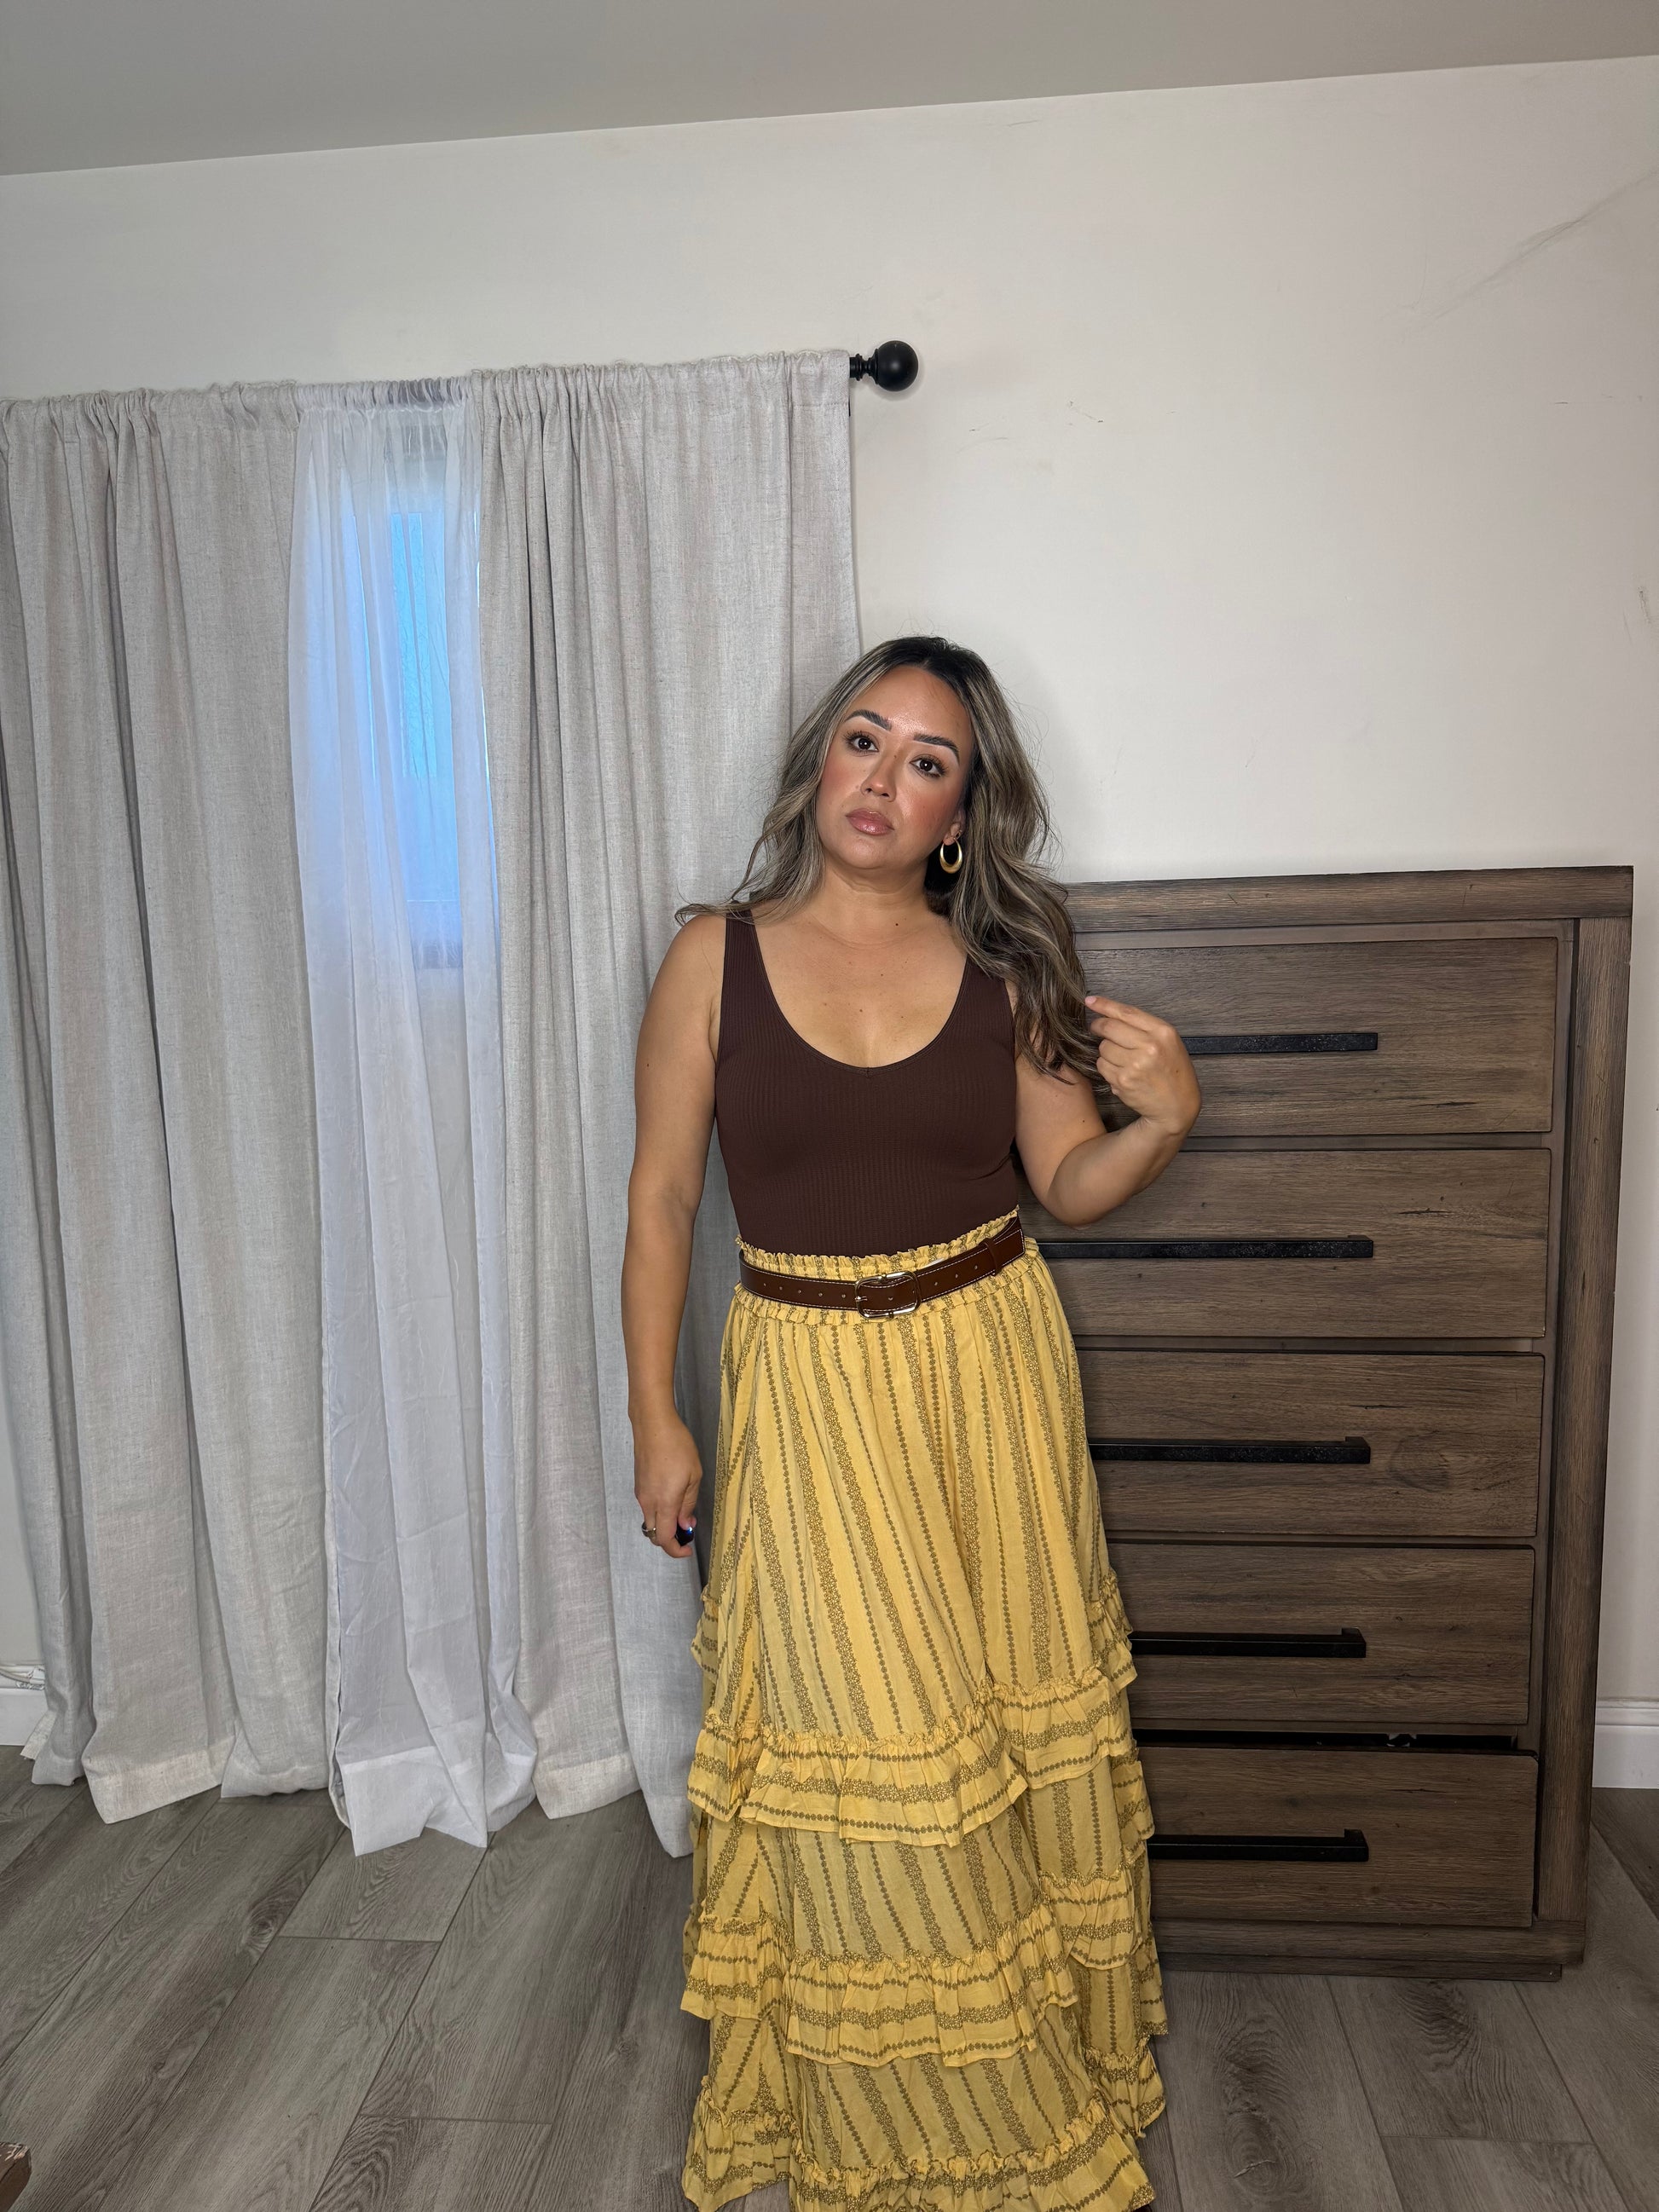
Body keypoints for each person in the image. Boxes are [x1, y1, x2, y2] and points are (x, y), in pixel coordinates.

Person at [621, 635, 1201, 2212]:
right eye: (863, 740)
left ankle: (1014, 2079)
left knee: (992, 1722)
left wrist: (1163, 1122)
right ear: (819, 759)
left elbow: (1067, 1182)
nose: (882, 779)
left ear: (960, 813)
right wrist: (656, 1418)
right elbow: (663, 1202)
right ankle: (885, 2101)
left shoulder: (1005, 973)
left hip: (986, 1370)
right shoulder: (710, 958)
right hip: (805, 1382)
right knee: (859, 1732)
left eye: (926, 760)